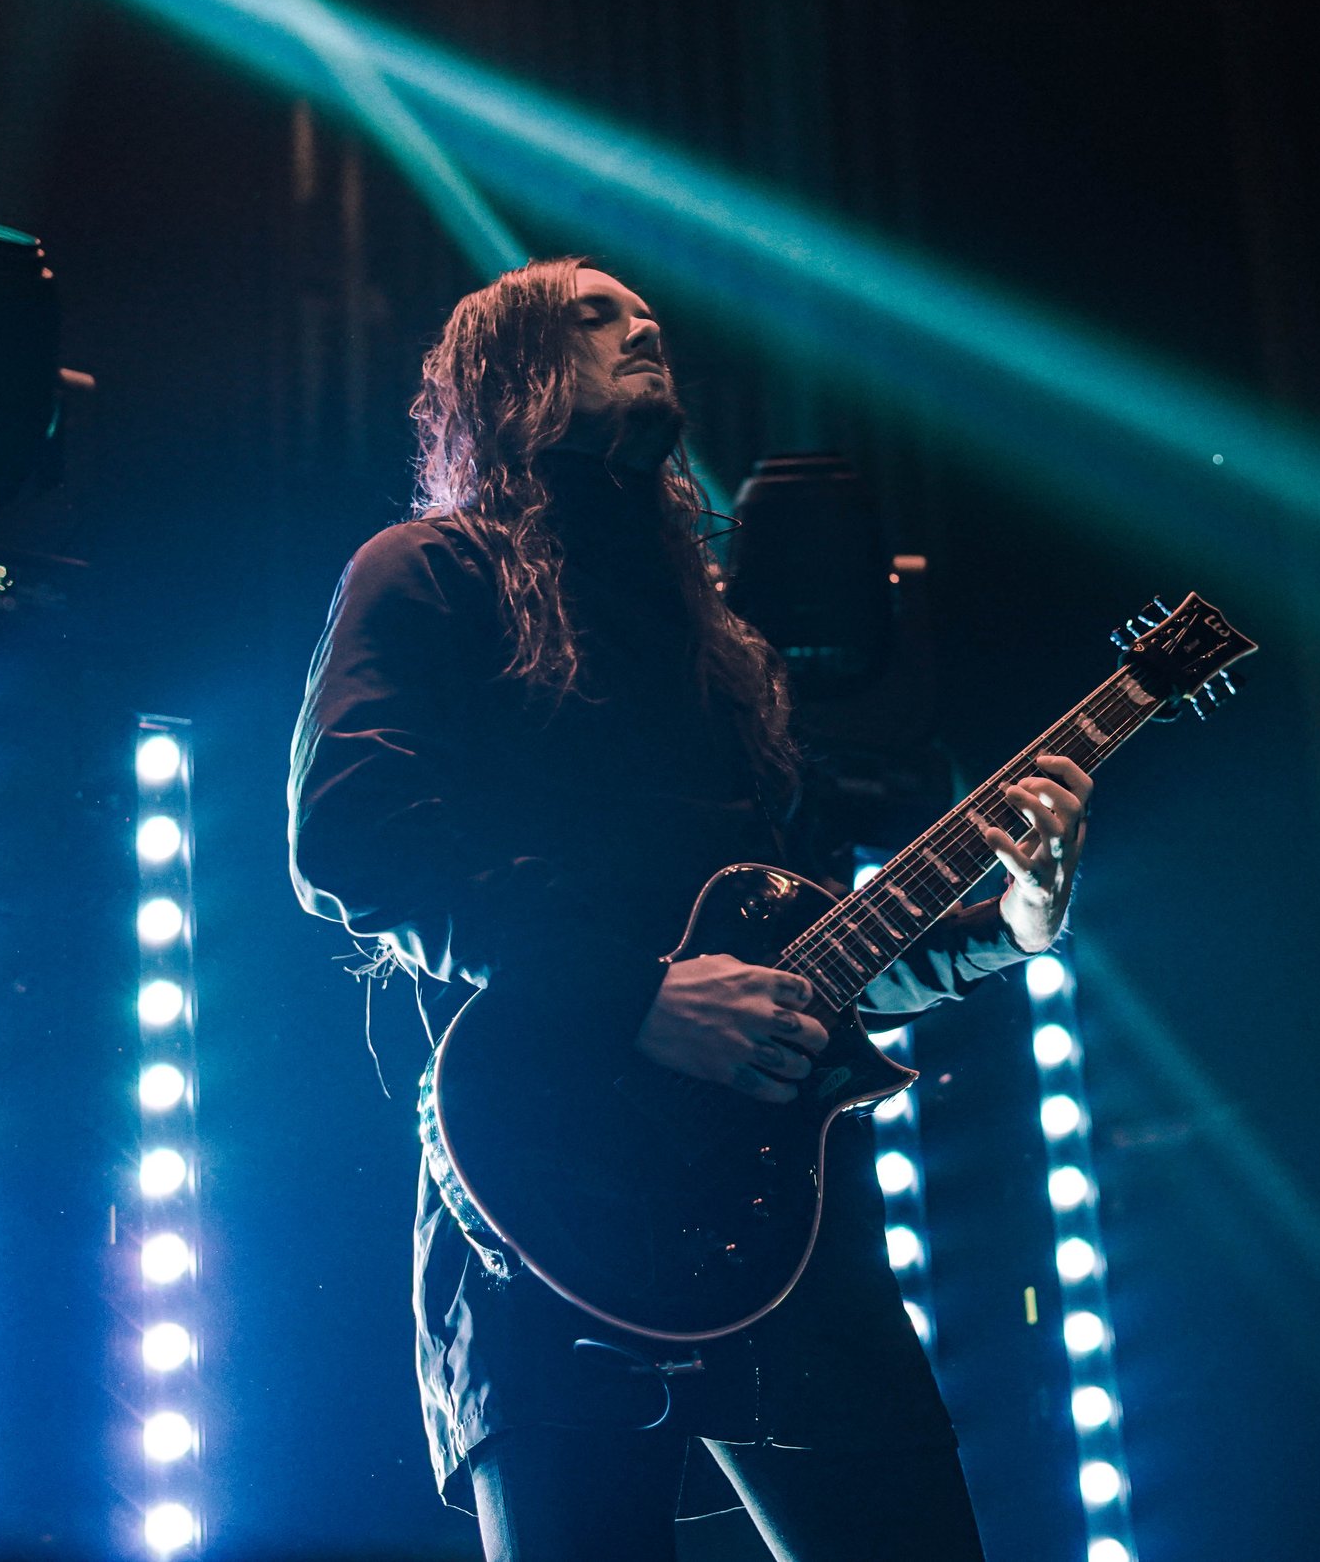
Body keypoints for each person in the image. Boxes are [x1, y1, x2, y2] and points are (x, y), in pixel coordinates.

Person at [288, 258, 1093, 1561]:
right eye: (591, 316)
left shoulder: (714, 643)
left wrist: (1015, 919)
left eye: (642, 313)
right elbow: (353, 839)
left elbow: (801, 954)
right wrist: (635, 1000)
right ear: (508, 376)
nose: (639, 322)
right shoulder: (424, 572)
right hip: (549, 1191)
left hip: (778, 1211)